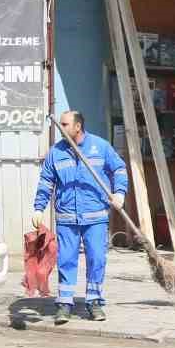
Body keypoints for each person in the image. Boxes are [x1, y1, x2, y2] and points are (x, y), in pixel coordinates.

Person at [32, 110, 128, 324]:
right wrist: (39, 207)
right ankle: (64, 304)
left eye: (65, 124)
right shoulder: (56, 153)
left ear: (78, 127)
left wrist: (119, 193)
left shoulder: (100, 147)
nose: (61, 128)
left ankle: (94, 302)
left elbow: (119, 169)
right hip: (67, 218)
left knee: (97, 260)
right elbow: (46, 182)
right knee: (66, 260)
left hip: (95, 217)